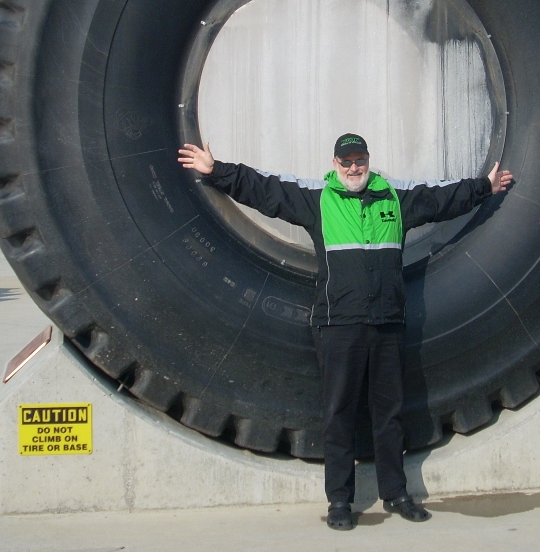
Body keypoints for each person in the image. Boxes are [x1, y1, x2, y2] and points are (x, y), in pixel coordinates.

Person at [179, 133, 514, 531]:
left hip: (387, 323)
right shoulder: (317, 199)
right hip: (338, 326)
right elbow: (265, 190)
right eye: (346, 162)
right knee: (339, 415)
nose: (354, 168)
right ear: (335, 164)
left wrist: (484, 187)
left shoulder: (394, 198)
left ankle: (396, 494)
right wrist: (216, 171)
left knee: (389, 415)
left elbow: (440, 199)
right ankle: (339, 500)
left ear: (368, 160)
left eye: (359, 160)